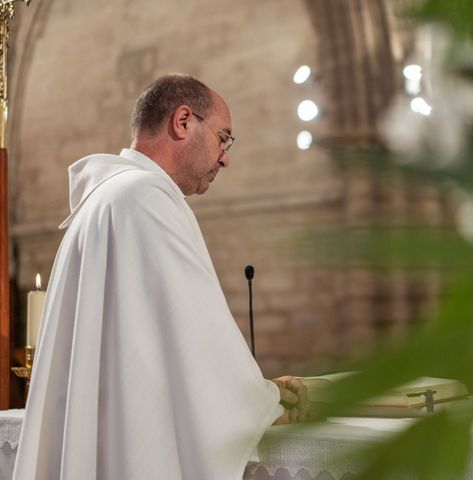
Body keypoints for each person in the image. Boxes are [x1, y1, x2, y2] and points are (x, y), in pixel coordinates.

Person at [12, 74, 309, 480]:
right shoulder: (145, 199)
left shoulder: (105, 198)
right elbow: (197, 341)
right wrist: (265, 401)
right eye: (224, 139)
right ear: (183, 121)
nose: (225, 158)